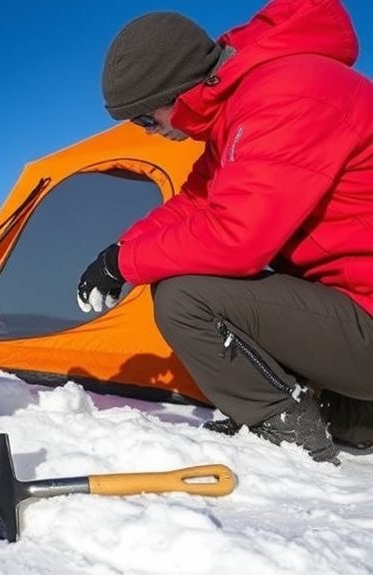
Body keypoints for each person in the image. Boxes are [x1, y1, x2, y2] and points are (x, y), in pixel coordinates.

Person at [77, 0, 373, 464]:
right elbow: (196, 200)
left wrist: (127, 265)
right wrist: (118, 251)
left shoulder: (286, 95)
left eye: (144, 119)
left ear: (175, 90)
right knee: (213, 274)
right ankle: (353, 412)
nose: (149, 133)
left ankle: (283, 427)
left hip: (365, 313)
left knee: (185, 295)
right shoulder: (248, 101)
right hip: (356, 304)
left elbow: (239, 237)